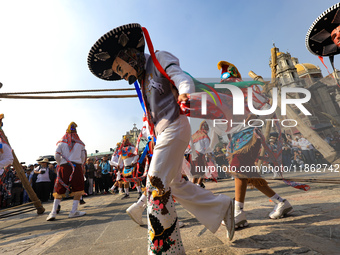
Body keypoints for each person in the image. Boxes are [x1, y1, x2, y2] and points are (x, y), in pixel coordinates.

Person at [88, 23, 235, 254]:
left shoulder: (158, 59)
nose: (122, 74)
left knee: (155, 182)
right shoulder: (143, 80)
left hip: (176, 126)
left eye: (119, 67)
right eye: (117, 72)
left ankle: (166, 249)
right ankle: (221, 206)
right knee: (175, 184)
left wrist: (185, 92)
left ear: (129, 55)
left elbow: (181, 76)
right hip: (163, 134)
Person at [217, 61, 293, 229]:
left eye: (228, 77)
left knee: (239, 169)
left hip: (249, 137)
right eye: (222, 79)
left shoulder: (249, 91)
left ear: (236, 78)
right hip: (238, 138)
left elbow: (267, 106)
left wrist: (255, 116)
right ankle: (280, 202)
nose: (224, 82)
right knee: (248, 174)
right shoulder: (228, 98)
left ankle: (238, 212)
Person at [46, 122, 86, 221]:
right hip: (76, 167)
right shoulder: (80, 144)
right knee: (78, 189)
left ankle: (53, 213)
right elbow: (83, 157)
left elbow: (56, 156)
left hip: (64, 167)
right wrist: (81, 164)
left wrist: (60, 163)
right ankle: (73, 212)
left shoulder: (61, 142)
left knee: (59, 189)